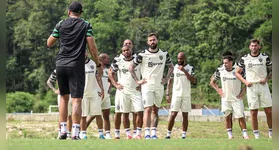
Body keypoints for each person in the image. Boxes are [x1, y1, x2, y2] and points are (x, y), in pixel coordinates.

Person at [47, 1, 101, 140]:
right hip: (76, 65)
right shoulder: (86, 25)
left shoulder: (60, 24)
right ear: (81, 13)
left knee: (64, 98)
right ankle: (76, 133)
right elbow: (92, 47)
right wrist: (98, 63)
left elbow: (49, 43)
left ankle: (63, 131)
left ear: (68, 11)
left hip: (60, 64)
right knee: (76, 100)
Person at [129, 33, 174, 139]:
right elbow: (131, 67)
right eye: (150, 40)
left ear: (157, 41)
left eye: (154, 40)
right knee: (148, 109)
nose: (152, 42)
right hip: (147, 86)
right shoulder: (142, 54)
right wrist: (138, 81)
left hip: (159, 86)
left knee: (155, 110)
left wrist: (166, 79)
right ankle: (147, 133)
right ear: (147, 42)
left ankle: (154, 133)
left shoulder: (164, 54)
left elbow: (171, 67)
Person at [236, 39, 272, 139]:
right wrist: (245, 82)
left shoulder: (265, 57)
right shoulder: (244, 58)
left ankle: (271, 133)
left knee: (269, 111)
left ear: (259, 46)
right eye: (252, 46)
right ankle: (256, 135)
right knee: (253, 112)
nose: (254, 47)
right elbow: (237, 72)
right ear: (249, 47)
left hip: (263, 86)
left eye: (256, 46)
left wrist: (266, 78)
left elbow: (272, 70)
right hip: (251, 87)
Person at [109, 45, 144, 139]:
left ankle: (138, 133)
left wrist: (141, 83)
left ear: (131, 50)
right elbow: (111, 73)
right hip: (123, 91)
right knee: (125, 113)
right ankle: (128, 134)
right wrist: (116, 85)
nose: (126, 52)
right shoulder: (118, 61)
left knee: (140, 112)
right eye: (124, 50)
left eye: (127, 50)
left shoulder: (138, 60)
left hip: (135, 91)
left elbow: (145, 71)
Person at [210, 55, 249, 139]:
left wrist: (243, 92)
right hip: (225, 99)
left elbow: (247, 82)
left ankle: (245, 135)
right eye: (224, 63)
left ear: (231, 62)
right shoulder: (220, 70)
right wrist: (218, 90)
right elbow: (212, 81)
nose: (225, 64)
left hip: (237, 99)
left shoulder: (238, 70)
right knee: (227, 117)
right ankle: (230, 136)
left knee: (241, 117)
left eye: (226, 63)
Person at [165, 52, 196, 139]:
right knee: (173, 114)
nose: (179, 60)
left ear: (185, 58)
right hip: (176, 95)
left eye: (181, 58)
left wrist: (184, 71)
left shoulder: (190, 68)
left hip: (186, 95)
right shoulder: (174, 68)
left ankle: (183, 135)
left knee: (185, 115)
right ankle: (168, 134)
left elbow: (193, 81)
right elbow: (169, 81)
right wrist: (167, 93)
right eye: (178, 58)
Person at [87, 53, 112, 139]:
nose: (109, 60)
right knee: (93, 115)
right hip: (98, 95)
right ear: (102, 60)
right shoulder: (96, 69)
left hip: (106, 96)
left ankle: (108, 134)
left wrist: (109, 89)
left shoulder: (108, 70)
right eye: (107, 59)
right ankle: (81, 132)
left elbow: (111, 80)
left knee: (106, 116)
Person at [79, 53, 105, 140]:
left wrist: (102, 89)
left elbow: (98, 77)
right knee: (83, 115)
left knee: (98, 114)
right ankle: (83, 134)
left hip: (94, 93)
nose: (83, 54)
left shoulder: (93, 63)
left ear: (86, 53)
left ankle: (101, 134)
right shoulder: (77, 64)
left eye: (84, 52)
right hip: (83, 94)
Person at [46, 70, 72, 139]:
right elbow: (49, 82)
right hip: (62, 94)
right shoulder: (57, 70)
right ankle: (60, 133)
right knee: (62, 114)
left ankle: (69, 134)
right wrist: (54, 90)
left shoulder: (73, 67)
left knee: (70, 115)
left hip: (72, 93)